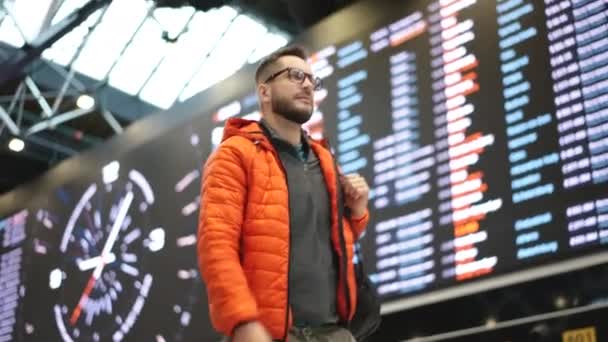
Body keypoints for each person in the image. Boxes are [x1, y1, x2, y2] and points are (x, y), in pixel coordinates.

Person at [197, 45, 370, 342]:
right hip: (273, 334)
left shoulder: (325, 159)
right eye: (294, 75)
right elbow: (216, 245)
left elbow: (328, 240)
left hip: (336, 333)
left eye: (311, 81)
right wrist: (242, 322)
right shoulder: (234, 154)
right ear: (264, 92)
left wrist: (358, 212)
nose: (306, 85)